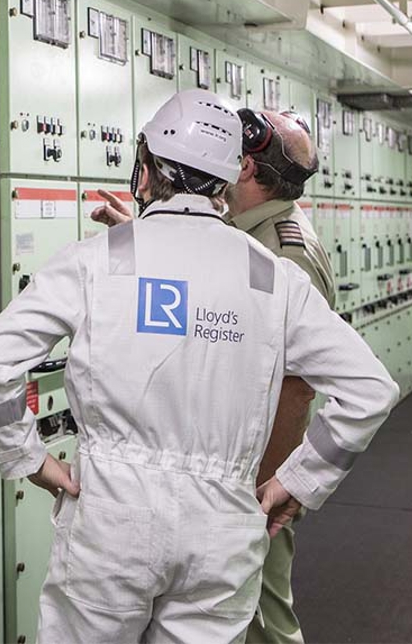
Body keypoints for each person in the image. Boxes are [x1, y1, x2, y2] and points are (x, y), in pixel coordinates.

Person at [0, 89, 399, 644]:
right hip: (222, 532)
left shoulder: (98, 260)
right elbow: (371, 390)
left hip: (110, 525)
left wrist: (28, 458)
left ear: (144, 170)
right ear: (227, 179)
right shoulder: (270, 276)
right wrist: (299, 480)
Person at [93, 105, 335, 643]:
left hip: (247, 488)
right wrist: (149, 237)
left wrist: (266, 492)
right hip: (218, 478)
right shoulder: (252, 233)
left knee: (263, 620)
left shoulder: (282, 253)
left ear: (244, 167)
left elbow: (294, 391)